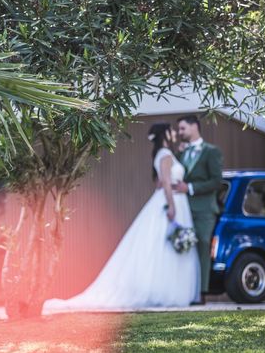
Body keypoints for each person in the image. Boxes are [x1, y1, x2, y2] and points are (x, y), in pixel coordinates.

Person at [43, 123, 200, 311]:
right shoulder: (165, 155)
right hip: (172, 201)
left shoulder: (165, 154)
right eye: (172, 130)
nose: (175, 133)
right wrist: (172, 206)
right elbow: (165, 182)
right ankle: (164, 290)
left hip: (174, 199)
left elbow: (160, 181)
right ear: (165, 134)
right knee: (163, 245)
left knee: (164, 245)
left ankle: (167, 288)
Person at [174, 115, 223, 305]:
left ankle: (201, 293)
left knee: (202, 245)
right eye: (179, 129)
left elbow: (216, 181)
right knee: (184, 247)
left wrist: (191, 188)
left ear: (195, 127)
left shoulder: (212, 151)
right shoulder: (180, 154)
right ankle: (184, 291)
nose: (180, 133)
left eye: (182, 128)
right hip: (183, 209)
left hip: (204, 210)